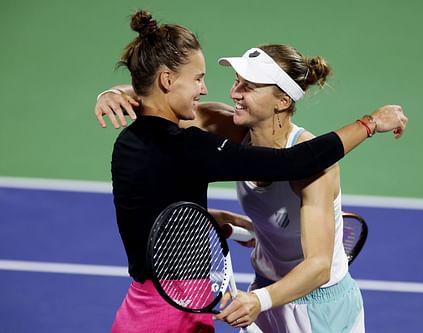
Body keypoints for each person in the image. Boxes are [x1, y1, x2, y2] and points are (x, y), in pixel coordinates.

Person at [97, 9, 407, 333]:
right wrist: (114, 93)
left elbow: (318, 266)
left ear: (282, 99)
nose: (232, 93)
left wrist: (370, 123)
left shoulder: (315, 164)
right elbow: (156, 100)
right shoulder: (221, 124)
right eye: (236, 82)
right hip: (264, 295)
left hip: (314, 307)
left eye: (249, 86)